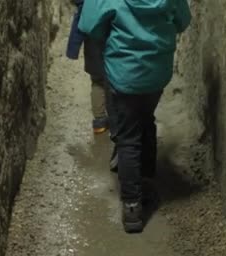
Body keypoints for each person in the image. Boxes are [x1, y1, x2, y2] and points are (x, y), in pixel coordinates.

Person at [78, 0, 191, 233]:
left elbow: (91, 26)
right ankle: (147, 180)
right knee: (147, 119)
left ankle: (132, 206)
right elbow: (182, 21)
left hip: (124, 73)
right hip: (157, 72)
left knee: (128, 137)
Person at [66, 0, 110, 134]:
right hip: (114, 39)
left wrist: (73, 49)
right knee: (116, 80)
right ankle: (118, 118)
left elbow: (81, 15)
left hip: (93, 44)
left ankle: (99, 121)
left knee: (97, 82)